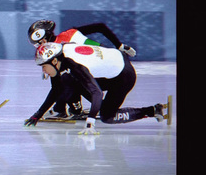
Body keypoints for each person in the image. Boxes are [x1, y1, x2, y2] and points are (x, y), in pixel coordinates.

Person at [24, 42, 166, 134]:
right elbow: (56, 89)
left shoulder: (76, 66)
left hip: (123, 76)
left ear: (54, 61)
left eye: (43, 67)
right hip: (114, 60)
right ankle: (82, 109)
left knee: (107, 117)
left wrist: (90, 121)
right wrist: (38, 114)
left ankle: (152, 110)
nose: (43, 71)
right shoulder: (60, 53)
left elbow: (96, 92)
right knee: (67, 79)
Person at [27, 20, 136, 120]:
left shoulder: (55, 52)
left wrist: (41, 113)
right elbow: (100, 27)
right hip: (112, 59)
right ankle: (73, 108)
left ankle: (69, 109)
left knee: (67, 80)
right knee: (69, 78)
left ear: (43, 40)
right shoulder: (70, 32)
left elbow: (57, 88)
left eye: (36, 45)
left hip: (109, 70)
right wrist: (120, 45)